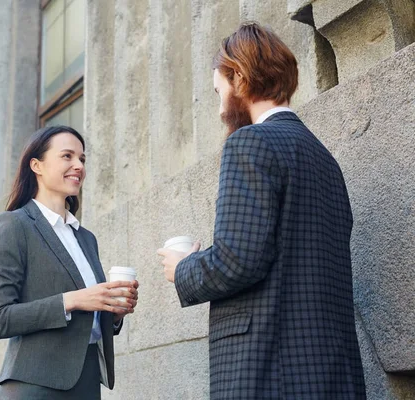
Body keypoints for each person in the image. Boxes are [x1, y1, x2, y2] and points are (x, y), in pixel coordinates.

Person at [157, 22, 366, 399]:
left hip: (271, 371)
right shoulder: (324, 158)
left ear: (239, 77)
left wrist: (184, 267)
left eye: (219, 90)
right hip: (329, 372)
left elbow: (238, 259)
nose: (220, 107)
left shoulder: (249, 143)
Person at [0, 125, 139, 399]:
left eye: (82, 159)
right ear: (37, 165)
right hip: (35, 386)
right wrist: (73, 300)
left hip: (87, 383)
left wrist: (112, 312)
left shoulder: (86, 238)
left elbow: (88, 318)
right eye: (67, 156)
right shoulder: (13, 225)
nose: (78, 165)